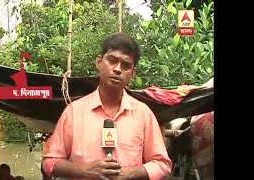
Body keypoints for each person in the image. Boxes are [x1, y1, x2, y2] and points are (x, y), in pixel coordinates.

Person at [42, 32, 172, 180]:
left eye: (126, 65)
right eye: (112, 60)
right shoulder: (74, 112)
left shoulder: (143, 114)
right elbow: (50, 162)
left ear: (132, 73)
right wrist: (83, 170)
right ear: (99, 62)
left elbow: (162, 164)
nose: (117, 69)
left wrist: (131, 173)